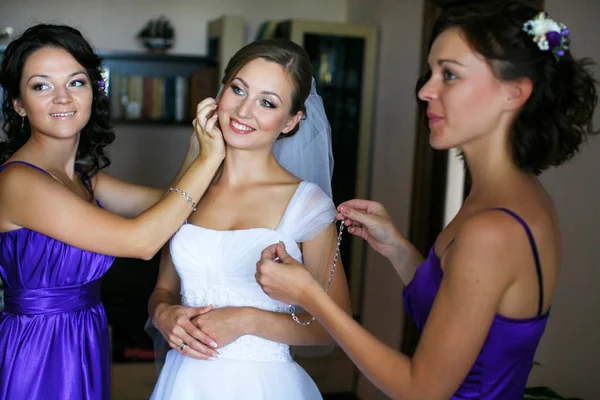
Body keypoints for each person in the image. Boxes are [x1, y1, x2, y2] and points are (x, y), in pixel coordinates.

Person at [256, 1, 598, 399]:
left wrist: (309, 295)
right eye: (432, 71)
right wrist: (400, 251)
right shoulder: (515, 196)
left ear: (515, 92)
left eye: (449, 74)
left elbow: (422, 389)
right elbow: (471, 318)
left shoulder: (494, 229)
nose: (425, 90)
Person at [0, 24, 225, 400]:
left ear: (92, 90)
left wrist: (197, 146)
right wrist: (210, 158)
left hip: (84, 334)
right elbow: (142, 241)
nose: (62, 98)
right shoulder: (18, 183)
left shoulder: (83, 179)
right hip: (38, 349)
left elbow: (171, 205)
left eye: (75, 82)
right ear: (18, 104)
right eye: (42, 85)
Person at [148, 38, 351, 400]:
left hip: (263, 387)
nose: (243, 111)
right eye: (238, 89)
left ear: (291, 121)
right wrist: (164, 314)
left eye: (267, 102)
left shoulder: (307, 205)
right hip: (185, 383)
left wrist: (247, 320)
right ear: (220, 92)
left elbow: (333, 329)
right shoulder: (189, 192)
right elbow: (163, 290)